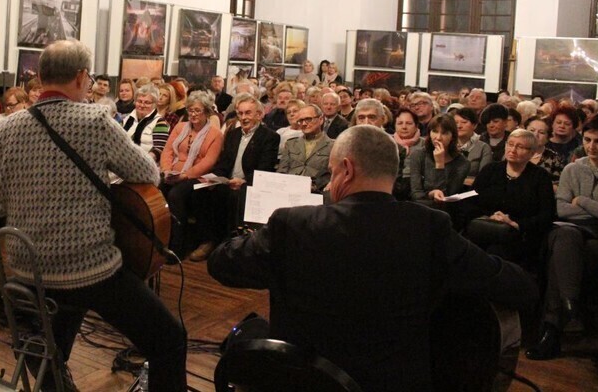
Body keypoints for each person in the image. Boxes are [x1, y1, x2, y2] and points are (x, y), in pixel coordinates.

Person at [207, 125, 538, 392]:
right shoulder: (429, 227)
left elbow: (221, 264)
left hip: (305, 380)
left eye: (332, 171)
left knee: (249, 335)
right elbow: (517, 286)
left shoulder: (292, 224)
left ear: (347, 169)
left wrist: (257, 238)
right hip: (395, 382)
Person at [0, 40, 187, 391]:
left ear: (40, 76)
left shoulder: (2, 129)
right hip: (90, 271)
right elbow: (148, 172)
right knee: (169, 340)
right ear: (82, 77)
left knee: (48, 341)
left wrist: (23, 196)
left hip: (27, 273)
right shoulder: (95, 120)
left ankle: (53, 380)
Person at [527, 114, 598, 361]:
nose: (591, 146)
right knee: (565, 237)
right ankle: (569, 308)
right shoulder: (573, 168)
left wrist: (582, 201)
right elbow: (562, 208)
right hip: (572, 230)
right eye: (587, 139)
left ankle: (553, 327)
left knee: (562, 256)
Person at [466, 129, 556, 271]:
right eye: (510, 144)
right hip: (485, 227)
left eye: (520, 147)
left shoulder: (540, 177)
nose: (512, 150)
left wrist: (514, 223)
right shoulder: (491, 169)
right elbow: (470, 200)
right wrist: (491, 216)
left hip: (520, 235)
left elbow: (547, 215)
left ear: (532, 153)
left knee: (496, 252)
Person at [204, 94, 279, 250]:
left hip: (250, 184)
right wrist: (215, 177)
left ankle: (234, 246)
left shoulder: (270, 137)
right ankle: (212, 242)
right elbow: (224, 162)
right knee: (209, 192)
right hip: (228, 181)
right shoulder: (233, 135)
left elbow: (265, 168)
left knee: (237, 196)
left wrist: (244, 181)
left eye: (248, 113)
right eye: (240, 113)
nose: (243, 117)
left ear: (259, 114)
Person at [160, 91, 224, 258]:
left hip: (197, 176)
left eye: (198, 110)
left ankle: (176, 248)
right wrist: (166, 169)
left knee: (176, 194)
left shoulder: (215, 134)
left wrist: (184, 176)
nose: (193, 114)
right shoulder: (180, 127)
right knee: (157, 189)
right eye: (190, 110)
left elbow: (208, 162)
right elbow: (167, 150)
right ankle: (159, 240)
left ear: (207, 112)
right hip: (173, 171)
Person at [409, 113, 471, 211]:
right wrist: (431, 194)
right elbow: (416, 194)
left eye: (444, 133)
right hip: (419, 210)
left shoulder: (462, 163)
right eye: (435, 131)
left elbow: (445, 200)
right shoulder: (418, 155)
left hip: (445, 214)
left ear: (452, 137)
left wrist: (439, 165)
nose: (438, 137)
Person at [278, 104, 333, 193]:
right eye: (300, 121)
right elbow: (281, 172)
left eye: (308, 119)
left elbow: (334, 175)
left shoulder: (333, 146)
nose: (304, 123)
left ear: (321, 119)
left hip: (318, 193)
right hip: (290, 191)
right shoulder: (291, 144)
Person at [121, 84, 169, 162]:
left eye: (147, 102)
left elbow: (159, 149)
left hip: (146, 164)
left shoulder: (159, 122)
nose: (142, 105)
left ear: (154, 104)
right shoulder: (126, 119)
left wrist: (143, 161)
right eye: (139, 101)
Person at [524, 116, 565, 184]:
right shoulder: (513, 152)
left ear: (548, 137)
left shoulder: (555, 159)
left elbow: (558, 186)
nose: (535, 134)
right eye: (532, 130)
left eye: (541, 132)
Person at [453, 107, 492, 178]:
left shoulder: (483, 148)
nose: (459, 126)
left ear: (474, 125)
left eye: (464, 122)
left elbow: (484, 178)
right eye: (456, 123)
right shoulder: (448, 144)